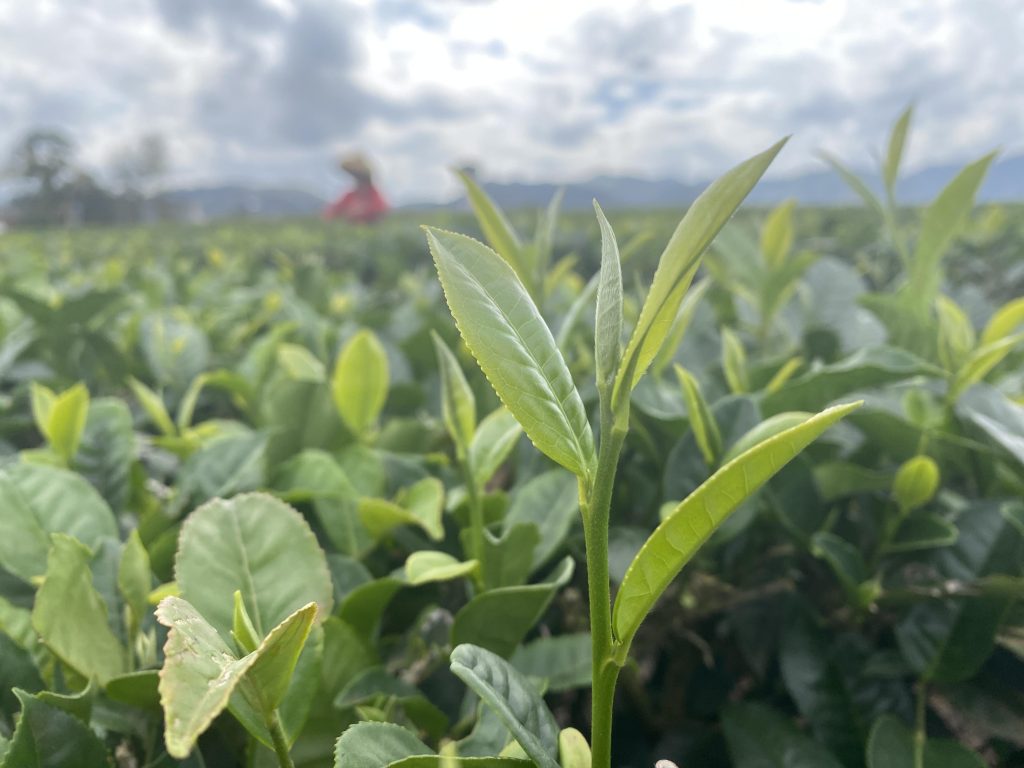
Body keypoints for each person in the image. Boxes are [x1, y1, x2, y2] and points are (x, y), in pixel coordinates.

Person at [323, 153, 389, 224]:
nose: (358, 180)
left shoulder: (374, 194)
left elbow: (381, 212)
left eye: (360, 176)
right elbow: (331, 212)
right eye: (356, 176)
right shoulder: (350, 196)